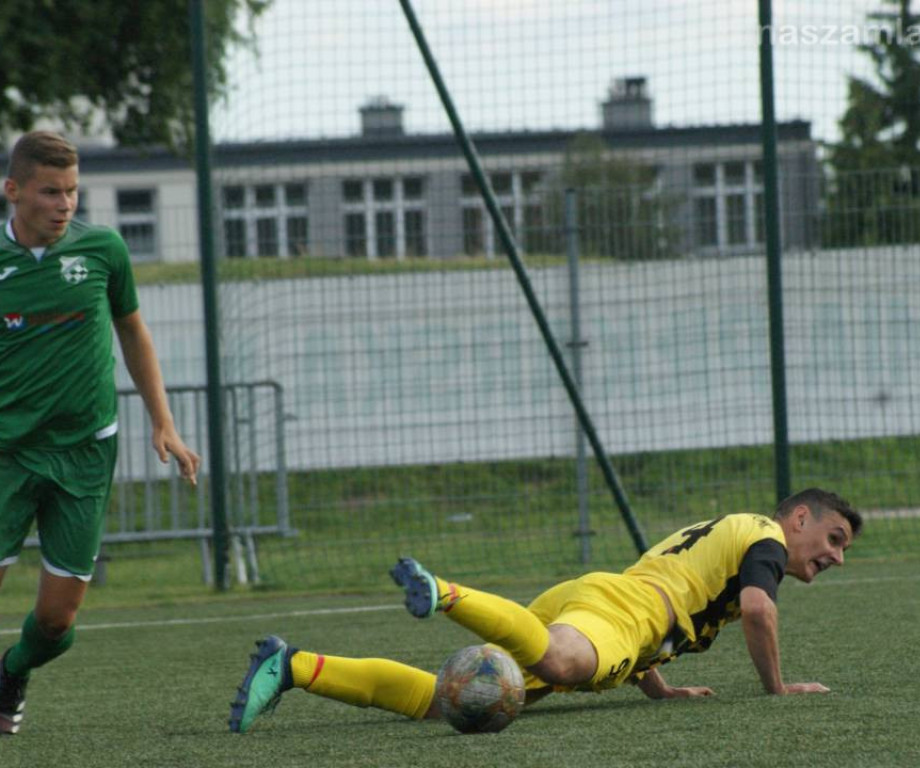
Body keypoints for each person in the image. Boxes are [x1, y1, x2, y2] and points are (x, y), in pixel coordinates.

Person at [229, 487, 861, 733]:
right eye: (833, 538)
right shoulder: (766, 537)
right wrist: (778, 688)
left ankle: (294, 666)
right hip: (621, 614)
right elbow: (757, 610)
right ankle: (444, 592)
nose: (835, 556)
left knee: (449, 700)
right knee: (559, 662)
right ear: (799, 518)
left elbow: (666, 611)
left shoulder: (731, 532)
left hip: (602, 603)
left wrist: (659, 688)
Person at [0, 131, 201, 736]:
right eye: (50, 192)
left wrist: (163, 421)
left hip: (85, 452)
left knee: (56, 624)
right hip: (6, 453)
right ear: (13, 191)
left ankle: (12, 671)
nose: (64, 204)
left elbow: (132, 331)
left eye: (72, 192)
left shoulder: (104, 250)